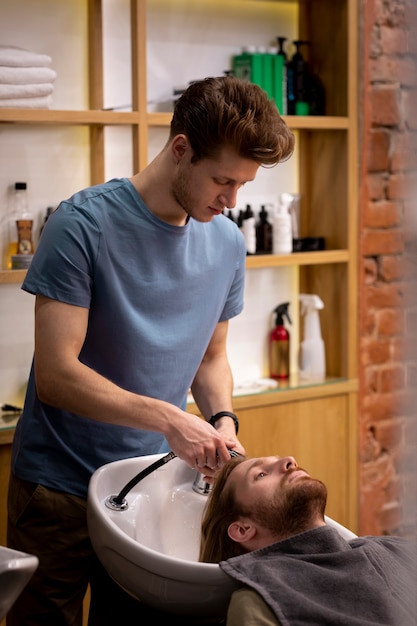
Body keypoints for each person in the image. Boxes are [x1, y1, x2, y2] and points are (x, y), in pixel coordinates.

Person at [6, 76, 295, 626]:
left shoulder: (228, 242)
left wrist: (223, 419)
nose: (231, 201)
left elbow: (210, 359)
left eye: (243, 185)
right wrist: (169, 418)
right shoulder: (81, 224)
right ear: (181, 148)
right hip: (57, 489)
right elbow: (57, 375)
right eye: (221, 180)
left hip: (148, 481)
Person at [199, 455, 417, 626]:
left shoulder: (393, 549)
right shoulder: (261, 604)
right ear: (243, 529)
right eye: (261, 475)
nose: (290, 461)